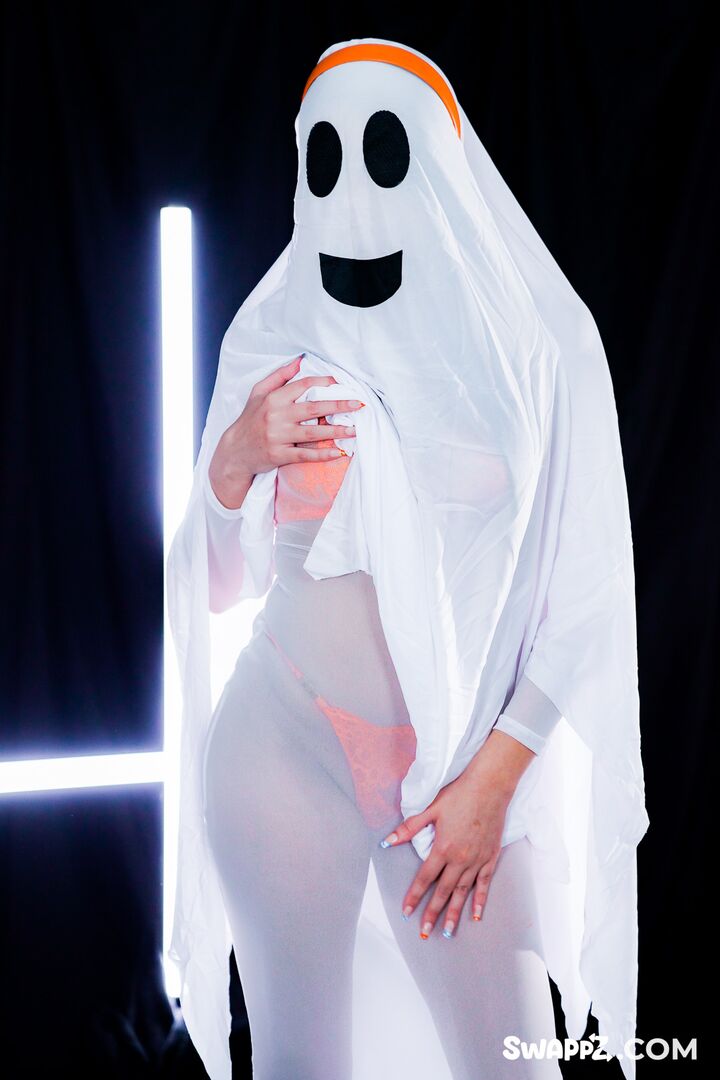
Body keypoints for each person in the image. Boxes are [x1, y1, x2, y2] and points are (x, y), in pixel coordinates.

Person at [166, 38, 649, 1080]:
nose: (352, 188)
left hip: (459, 776)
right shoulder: (274, 334)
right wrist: (234, 461)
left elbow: (587, 599)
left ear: (436, 155)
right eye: (324, 157)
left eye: (385, 150)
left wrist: (493, 784)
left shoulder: (541, 349)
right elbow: (214, 587)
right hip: (278, 750)